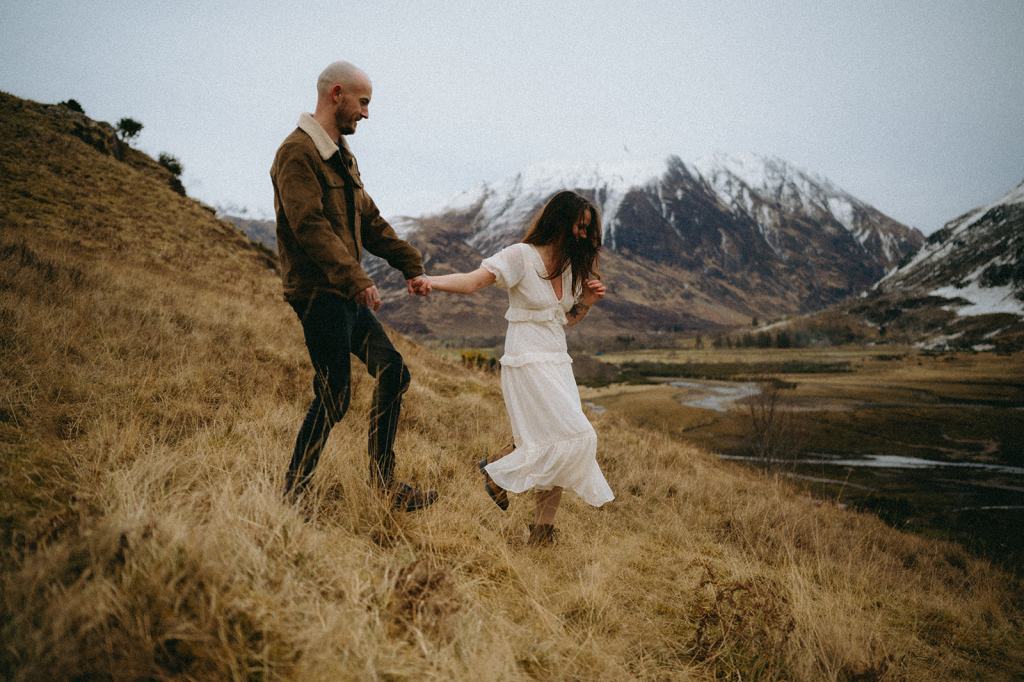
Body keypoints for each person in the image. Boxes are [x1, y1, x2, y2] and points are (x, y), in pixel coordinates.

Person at [270, 60, 436, 511]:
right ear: (336, 94)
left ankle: (383, 487)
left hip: (343, 293)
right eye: (363, 103)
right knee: (334, 394)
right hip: (318, 293)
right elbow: (310, 226)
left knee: (393, 372)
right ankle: (293, 495)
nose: (366, 113)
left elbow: (370, 220)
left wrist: (410, 264)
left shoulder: (342, 155)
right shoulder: (297, 153)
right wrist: (357, 278)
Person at [426, 191, 614, 545]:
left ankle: (541, 531)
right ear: (560, 221)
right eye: (580, 226)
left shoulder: (573, 269)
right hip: (526, 359)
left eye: (589, 229)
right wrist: (430, 282)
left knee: (558, 442)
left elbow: (565, 320)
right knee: (576, 436)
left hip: (557, 359)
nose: (585, 235)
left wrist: (586, 304)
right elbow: (472, 281)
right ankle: (497, 473)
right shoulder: (520, 257)